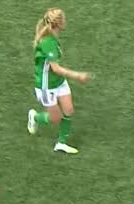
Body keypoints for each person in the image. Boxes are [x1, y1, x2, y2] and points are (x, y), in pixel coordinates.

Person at [27, 8, 91, 154]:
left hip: (59, 82)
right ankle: (35, 117)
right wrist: (78, 76)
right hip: (46, 86)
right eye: (63, 19)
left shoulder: (53, 38)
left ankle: (61, 144)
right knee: (55, 118)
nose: (65, 21)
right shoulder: (48, 43)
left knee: (69, 110)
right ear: (58, 23)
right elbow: (55, 68)